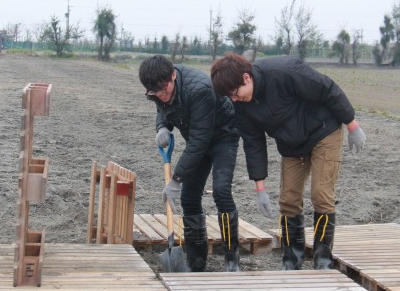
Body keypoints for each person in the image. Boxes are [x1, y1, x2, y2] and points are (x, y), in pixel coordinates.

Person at [210, 53, 366, 271]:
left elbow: (327, 88)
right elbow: (253, 143)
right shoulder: (241, 105)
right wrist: (260, 187)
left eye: (235, 94)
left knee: (321, 194)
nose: (234, 100)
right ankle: (292, 258)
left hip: (323, 131)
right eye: (230, 98)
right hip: (292, 144)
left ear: (247, 78)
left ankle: (323, 259)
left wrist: (351, 124)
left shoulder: (284, 71)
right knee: (288, 200)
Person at [139, 55, 241, 272]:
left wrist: (176, 179)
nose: (161, 96)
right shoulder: (157, 88)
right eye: (154, 93)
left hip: (223, 137)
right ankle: (196, 260)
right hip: (197, 139)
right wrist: (162, 127)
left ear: (173, 76)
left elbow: (199, 142)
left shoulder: (200, 90)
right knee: (189, 197)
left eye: (164, 91)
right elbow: (163, 109)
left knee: (221, 192)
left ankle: (232, 260)